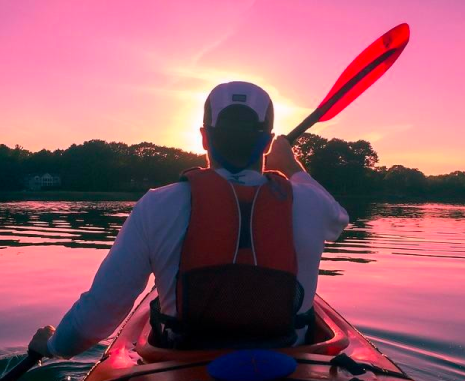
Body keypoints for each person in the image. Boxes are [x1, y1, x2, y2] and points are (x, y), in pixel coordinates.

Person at [29, 81, 349, 357]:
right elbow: (340, 219)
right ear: (267, 142)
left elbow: (99, 314)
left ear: (204, 138)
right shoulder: (310, 203)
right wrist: (291, 165)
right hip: (289, 367)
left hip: (183, 367)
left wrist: (54, 346)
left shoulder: (157, 205)